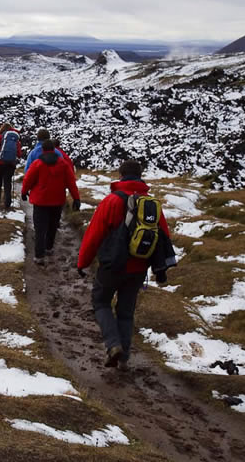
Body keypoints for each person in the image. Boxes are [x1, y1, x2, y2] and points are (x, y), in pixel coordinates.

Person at [76, 159, 176, 371]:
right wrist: (160, 268)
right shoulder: (150, 204)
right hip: (138, 268)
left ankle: (113, 345)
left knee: (101, 302)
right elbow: (163, 237)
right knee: (126, 312)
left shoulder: (111, 201)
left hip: (112, 266)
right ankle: (124, 357)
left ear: (120, 175)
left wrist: (83, 262)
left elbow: (94, 235)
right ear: (141, 176)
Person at [20, 139, 80, 263]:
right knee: (52, 226)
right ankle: (49, 247)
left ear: (43, 150)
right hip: (57, 200)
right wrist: (76, 198)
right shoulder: (63, 164)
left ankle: (39, 256)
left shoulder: (37, 163)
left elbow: (28, 179)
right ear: (54, 149)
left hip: (40, 201)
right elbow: (71, 182)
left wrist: (24, 192)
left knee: (40, 228)